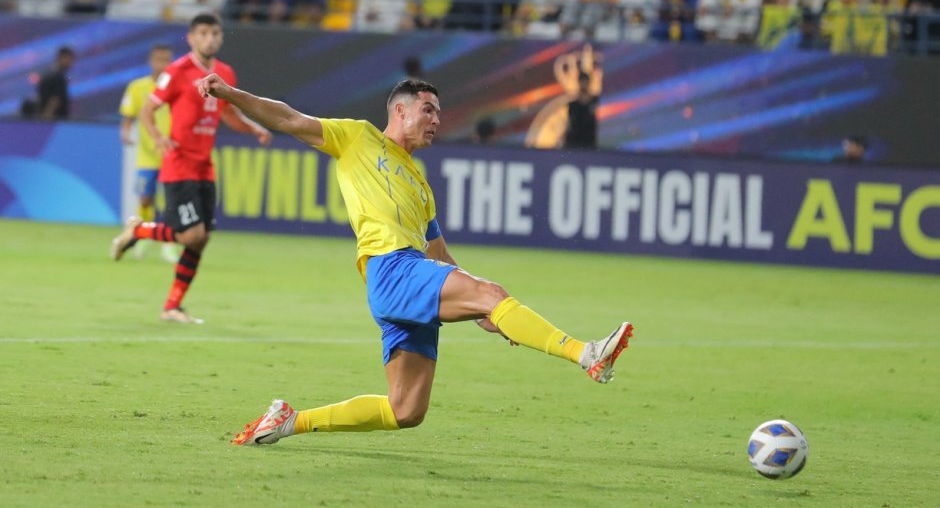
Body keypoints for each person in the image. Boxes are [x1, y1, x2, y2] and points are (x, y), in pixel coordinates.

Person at [193, 77, 633, 445]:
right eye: (428, 110)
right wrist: (230, 93)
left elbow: (440, 256)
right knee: (491, 293)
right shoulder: (357, 138)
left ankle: (290, 420)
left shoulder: (421, 186)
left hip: (407, 278)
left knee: (406, 410)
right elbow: (288, 118)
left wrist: (485, 311)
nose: (436, 121)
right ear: (399, 111)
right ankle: (587, 354)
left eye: (438, 114)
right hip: (391, 268)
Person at [110, 13, 272, 324]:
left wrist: (253, 129)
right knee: (191, 235)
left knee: (201, 238)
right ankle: (139, 229)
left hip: (204, 166)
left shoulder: (224, 73)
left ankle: (172, 306)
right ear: (192, 38)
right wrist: (159, 138)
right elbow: (148, 110)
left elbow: (228, 114)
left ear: (220, 37)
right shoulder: (177, 71)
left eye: (215, 33)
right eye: (204, 33)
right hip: (179, 164)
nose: (210, 38)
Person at [118, 43, 180, 263]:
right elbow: (128, 117)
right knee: (145, 199)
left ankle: (170, 244)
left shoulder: (178, 87)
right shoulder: (138, 87)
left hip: (173, 153)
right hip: (147, 154)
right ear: (151, 61)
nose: (163, 65)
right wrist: (125, 132)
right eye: (159, 60)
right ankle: (144, 236)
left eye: (167, 60)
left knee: (172, 200)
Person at [37, 46, 75, 120]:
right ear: (62, 57)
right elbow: (55, 99)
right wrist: (46, 117)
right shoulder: (58, 77)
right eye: (69, 59)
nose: (71, 63)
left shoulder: (47, 73)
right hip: (56, 122)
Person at [564, 70, 598, 149]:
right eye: (582, 81)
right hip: (575, 142)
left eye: (585, 82)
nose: (584, 84)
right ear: (578, 83)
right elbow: (570, 124)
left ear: (589, 83)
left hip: (592, 141)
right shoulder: (573, 105)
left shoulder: (596, 102)